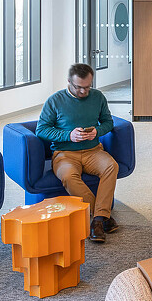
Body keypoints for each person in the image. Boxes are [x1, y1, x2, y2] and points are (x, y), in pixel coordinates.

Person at [36, 63, 119, 243]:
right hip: (64, 154)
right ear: (69, 82)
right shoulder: (55, 100)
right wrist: (68, 135)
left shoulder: (98, 97)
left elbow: (108, 122)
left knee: (111, 166)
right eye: (79, 87)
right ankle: (102, 217)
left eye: (87, 87)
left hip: (93, 151)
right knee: (68, 176)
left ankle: (97, 220)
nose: (83, 91)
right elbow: (41, 130)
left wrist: (97, 131)